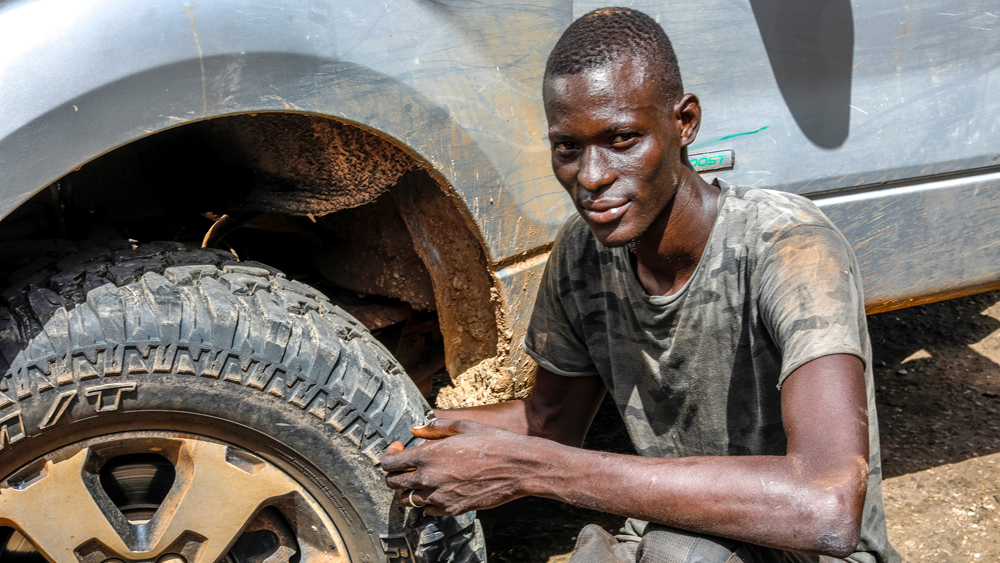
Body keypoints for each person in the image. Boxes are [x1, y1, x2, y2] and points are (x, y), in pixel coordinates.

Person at [382, 7, 900, 563]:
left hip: (804, 549)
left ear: (685, 122)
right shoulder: (582, 253)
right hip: (676, 533)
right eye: (568, 148)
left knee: (683, 556)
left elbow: (828, 507)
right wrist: (396, 427)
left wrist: (527, 469)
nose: (592, 176)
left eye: (623, 138)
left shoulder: (789, 248)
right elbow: (548, 423)